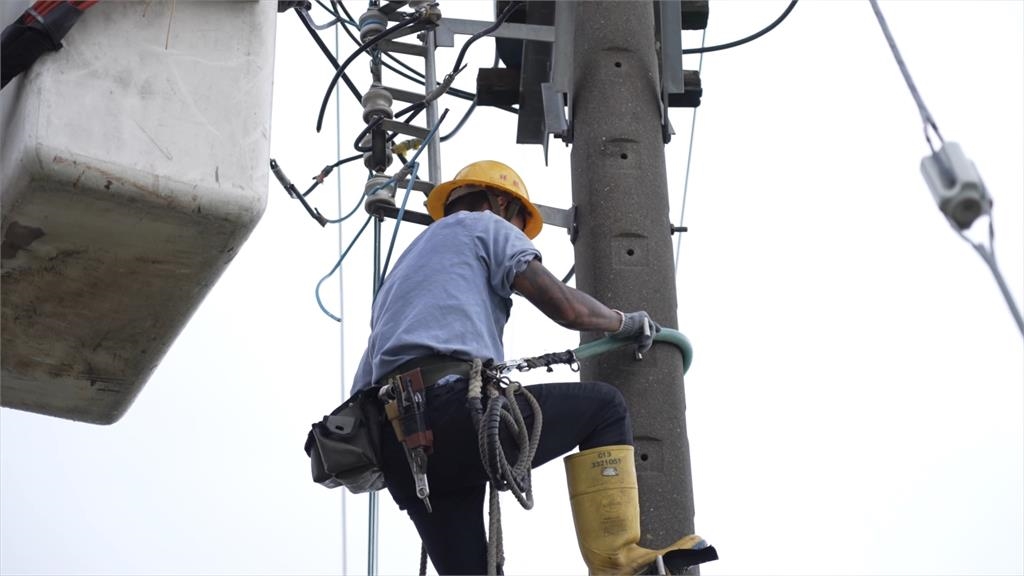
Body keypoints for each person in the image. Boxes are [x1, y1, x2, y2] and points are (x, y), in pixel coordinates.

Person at [349, 160, 715, 575]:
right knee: (604, 408)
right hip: (450, 415)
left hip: (398, 449)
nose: (520, 237)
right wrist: (625, 322)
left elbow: (364, 386)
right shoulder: (484, 225)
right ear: (500, 203)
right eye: (520, 226)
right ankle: (617, 559)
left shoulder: (398, 277)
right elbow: (566, 307)